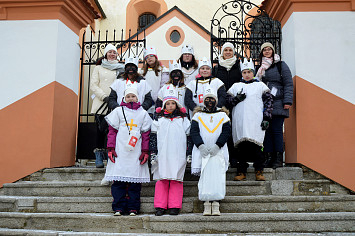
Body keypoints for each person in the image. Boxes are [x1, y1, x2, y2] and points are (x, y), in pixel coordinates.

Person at [103, 82, 152, 216]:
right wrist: (111, 148)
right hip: (120, 148)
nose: (131, 98)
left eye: (133, 96)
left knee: (134, 182)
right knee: (118, 181)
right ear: (124, 98)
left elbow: (146, 134)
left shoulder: (143, 113)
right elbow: (112, 131)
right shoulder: (118, 111)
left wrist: (145, 151)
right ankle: (118, 207)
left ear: (138, 98)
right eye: (128, 96)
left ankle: (133, 208)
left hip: (136, 151)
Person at [227, 58, 273, 181]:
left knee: (257, 147)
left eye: (249, 72)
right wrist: (236, 99)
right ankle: (241, 171)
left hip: (255, 121)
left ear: (253, 72)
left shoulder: (260, 85)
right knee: (241, 148)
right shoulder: (236, 86)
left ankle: (259, 170)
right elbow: (228, 102)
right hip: (240, 121)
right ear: (241, 73)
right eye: (244, 72)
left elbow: (269, 102)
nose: (247, 75)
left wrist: (266, 118)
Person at [149, 86, 191, 216]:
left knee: (176, 179)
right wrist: (153, 152)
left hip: (178, 154)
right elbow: (153, 137)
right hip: (163, 154)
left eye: (173, 103)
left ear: (177, 105)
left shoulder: (183, 120)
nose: (171, 106)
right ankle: (160, 206)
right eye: (168, 104)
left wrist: (189, 153)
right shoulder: (158, 120)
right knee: (162, 179)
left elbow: (189, 137)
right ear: (164, 106)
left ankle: (174, 206)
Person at [190, 86, 231, 216]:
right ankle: (207, 203)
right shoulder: (198, 116)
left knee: (217, 175)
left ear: (216, 100)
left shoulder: (222, 116)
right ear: (203, 101)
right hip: (202, 151)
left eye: (212, 99)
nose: (209, 101)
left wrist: (218, 145)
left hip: (217, 150)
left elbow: (226, 132)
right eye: (207, 99)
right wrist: (200, 145)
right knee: (205, 176)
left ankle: (216, 203)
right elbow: (194, 132)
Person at [256, 42, 293, 169]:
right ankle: (268, 157)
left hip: (278, 102)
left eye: (269, 49)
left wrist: (287, 101)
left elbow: (288, 83)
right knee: (266, 131)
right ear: (262, 52)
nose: (267, 51)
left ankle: (278, 159)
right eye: (264, 50)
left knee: (276, 131)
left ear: (273, 51)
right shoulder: (260, 67)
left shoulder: (280, 65)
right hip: (264, 103)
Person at [90, 43, 124, 168]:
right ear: (105, 54)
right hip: (101, 102)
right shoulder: (98, 68)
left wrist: (114, 100)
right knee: (100, 130)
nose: (112, 54)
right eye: (109, 52)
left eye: (114, 52)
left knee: (114, 130)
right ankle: (99, 155)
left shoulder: (121, 68)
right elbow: (93, 85)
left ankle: (112, 155)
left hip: (115, 103)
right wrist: (104, 97)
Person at [212, 42, 243, 168]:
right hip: (221, 104)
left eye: (230, 50)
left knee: (236, 130)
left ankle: (235, 157)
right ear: (222, 52)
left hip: (237, 102)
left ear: (234, 52)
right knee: (223, 130)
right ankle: (223, 156)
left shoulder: (238, 66)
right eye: (226, 50)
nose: (228, 52)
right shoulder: (217, 68)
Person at [140, 47, 166, 115]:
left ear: (155, 57)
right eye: (147, 57)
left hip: (159, 99)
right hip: (146, 100)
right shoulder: (142, 71)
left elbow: (163, 84)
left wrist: (159, 97)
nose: (149, 58)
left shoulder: (162, 70)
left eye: (151, 56)